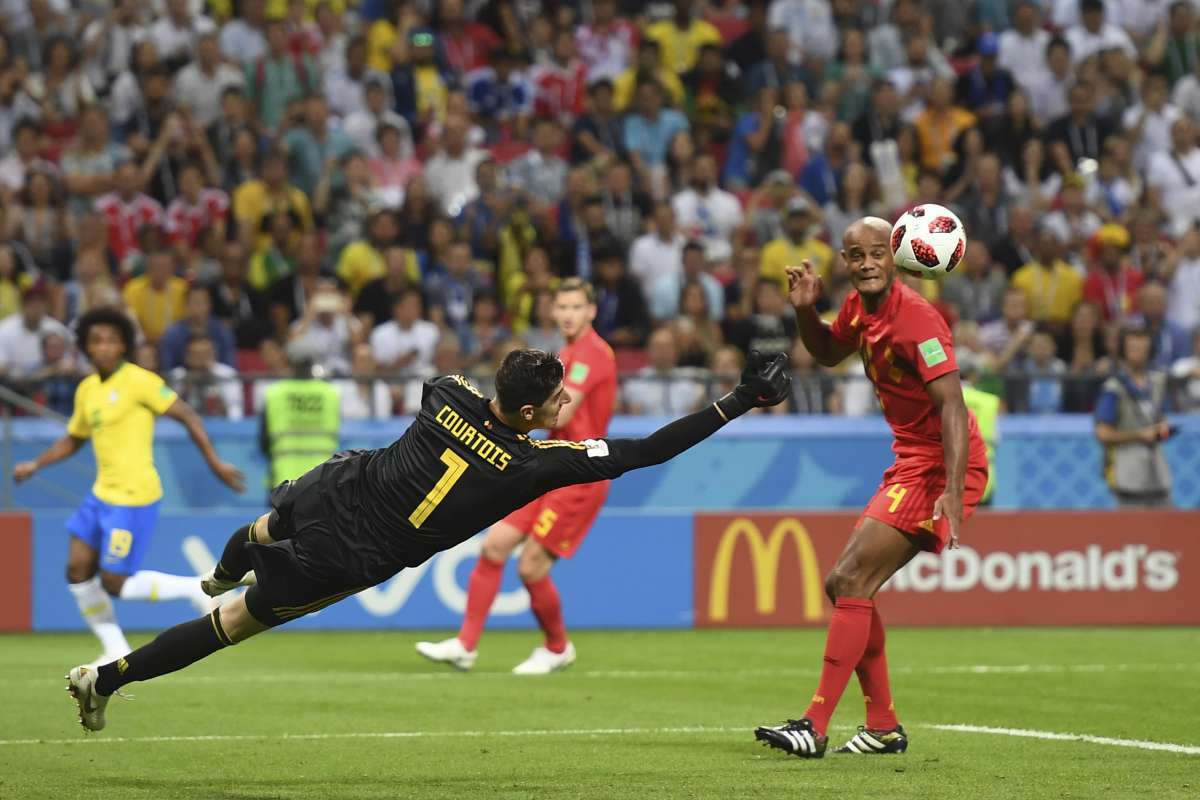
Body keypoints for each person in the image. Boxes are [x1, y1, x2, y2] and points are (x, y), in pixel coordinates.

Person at [65, 347, 790, 731]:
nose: (565, 401)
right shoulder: (534, 464)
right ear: (534, 409)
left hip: (342, 486)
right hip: (353, 553)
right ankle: (106, 679)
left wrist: (511, 398)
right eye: (555, 396)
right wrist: (737, 400)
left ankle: (226, 567)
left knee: (268, 521)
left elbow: (473, 393)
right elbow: (645, 451)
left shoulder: (445, 392)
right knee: (232, 625)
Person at [755, 217, 988, 758]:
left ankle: (813, 725)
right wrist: (805, 308)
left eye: (876, 253)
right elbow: (828, 353)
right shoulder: (861, 307)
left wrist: (953, 489)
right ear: (845, 260)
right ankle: (881, 727)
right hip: (911, 459)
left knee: (850, 579)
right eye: (855, 255)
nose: (865, 264)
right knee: (846, 587)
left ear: (898, 254)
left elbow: (953, 406)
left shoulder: (919, 322)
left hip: (939, 464)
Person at [14, 309, 244, 669]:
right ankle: (114, 647)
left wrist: (214, 462)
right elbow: (74, 439)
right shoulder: (88, 389)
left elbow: (186, 414)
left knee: (115, 583)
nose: (104, 347)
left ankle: (197, 587)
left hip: (133, 496)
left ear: (123, 344)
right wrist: (36, 465)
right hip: (100, 495)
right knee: (76, 570)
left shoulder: (140, 381)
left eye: (111, 340)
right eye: (96, 340)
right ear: (87, 346)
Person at [417, 278, 617, 673]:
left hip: (578, 474)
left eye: (576, 307)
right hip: (547, 467)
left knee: (529, 567)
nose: (568, 315)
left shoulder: (593, 353)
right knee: (494, 547)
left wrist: (504, 424)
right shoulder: (567, 353)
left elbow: (566, 412)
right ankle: (465, 645)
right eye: (562, 307)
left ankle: (558, 648)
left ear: (591, 311)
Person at [1094, 325, 1174, 508]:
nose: (1139, 353)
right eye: (1134, 349)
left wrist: (1163, 431)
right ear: (1124, 351)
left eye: (1143, 348)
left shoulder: (1159, 383)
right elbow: (1103, 433)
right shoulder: (1113, 388)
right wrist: (1140, 435)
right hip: (1129, 476)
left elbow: (1163, 422)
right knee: (1132, 532)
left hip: (1159, 475)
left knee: (1168, 529)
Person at [260, 358, 341, 490]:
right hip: (322, 479)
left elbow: (263, 442)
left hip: (283, 480)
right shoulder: (329, 393)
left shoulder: (275, 393)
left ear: (290, 365)